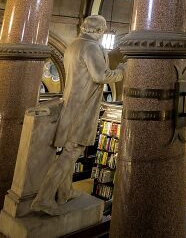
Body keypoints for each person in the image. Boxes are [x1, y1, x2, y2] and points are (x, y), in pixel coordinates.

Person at [31, 15, 124, 215]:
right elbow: (100, 76)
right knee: (71, 152)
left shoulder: (73, 45)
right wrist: (121, 71)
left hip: (72, 104)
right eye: (103, 30)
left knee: (70, 151)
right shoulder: (90, 47)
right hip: (82, 107)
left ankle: (64, 191)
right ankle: (44, 198)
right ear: (99, 30)